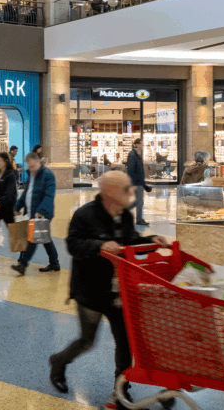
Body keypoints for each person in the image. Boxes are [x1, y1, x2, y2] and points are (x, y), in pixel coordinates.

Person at [48, 171, 169, 409]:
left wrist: (151, 240)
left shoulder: (124, 215)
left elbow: (130, 242)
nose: (132, 193)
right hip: (90, 291)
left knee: (125, 343)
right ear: (109, 193)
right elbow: (73, 244)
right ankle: (58, 362)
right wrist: (99, 245)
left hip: (118, 291)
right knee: (86, 341)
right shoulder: (85, 215)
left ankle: (121, 391)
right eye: (126, 189)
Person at [11, 152, 60, 275]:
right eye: (29, 166)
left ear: (38, 162)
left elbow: (49, 195)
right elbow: (26, 193)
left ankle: (23, 264)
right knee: (45, 238)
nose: (31, 169)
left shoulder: (47, 175)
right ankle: (54, 263)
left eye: (33, 166)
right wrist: (17, 207)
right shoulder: (31, 175)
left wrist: (41, 211)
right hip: (31, 212)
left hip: (42, 213)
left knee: (32, 238)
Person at [124, 138, 153, 226]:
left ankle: (123, 212)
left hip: (139, 182)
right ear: (136, 144)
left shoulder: (137, 154)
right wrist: (133, 184)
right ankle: (137, 218)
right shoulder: (133, 154)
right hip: (136, 183)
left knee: (139, 201)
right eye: (141, 144)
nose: (142, 146)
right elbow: (131, 170)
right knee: (138, 201)